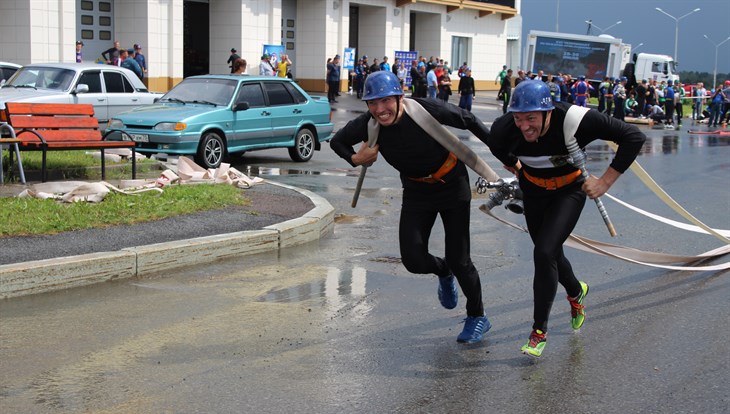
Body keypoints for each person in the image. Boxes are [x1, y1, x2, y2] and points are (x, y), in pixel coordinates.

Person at [330, 71, 494, 344]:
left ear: (399, 97)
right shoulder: (369, 123)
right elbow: (337, 142)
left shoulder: (425, 110)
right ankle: (443, 271)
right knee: (413, 260)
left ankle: (477, 316)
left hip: (452, 184)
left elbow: (468, 119)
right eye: (373, 103)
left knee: (460, 258)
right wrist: (357, 158)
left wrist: (506, 155)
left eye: (386, 101)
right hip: (417, 191)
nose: (380, 110)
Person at [487, 80, 646, 357]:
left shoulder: (574, 119)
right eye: (518, 118)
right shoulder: (503, 130)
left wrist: (605, 182)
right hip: (534, 193)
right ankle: (576, 291)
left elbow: (633, 137)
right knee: (551, 254)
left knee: (544, 251)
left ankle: (538, 332)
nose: (524, 126)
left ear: (548, 112)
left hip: (570, 191)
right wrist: (518, 168)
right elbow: (500, 151)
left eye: (531, 118)